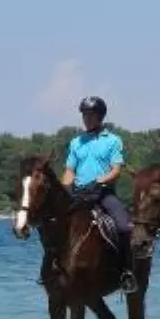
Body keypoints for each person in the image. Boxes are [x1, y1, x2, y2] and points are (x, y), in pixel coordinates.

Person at [52, 95, 137, 293]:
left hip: (103, 194)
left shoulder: (113, 141)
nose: (87, 118)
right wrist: (63, 189)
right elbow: (70, 172)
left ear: (100, 116)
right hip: (79, 195)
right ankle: (54, 268)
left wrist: (100, 180)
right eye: (84, 115)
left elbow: (116, 170)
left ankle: (126, 272)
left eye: (91, 115)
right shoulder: (76, 142)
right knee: (54, 225)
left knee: (125, 227)